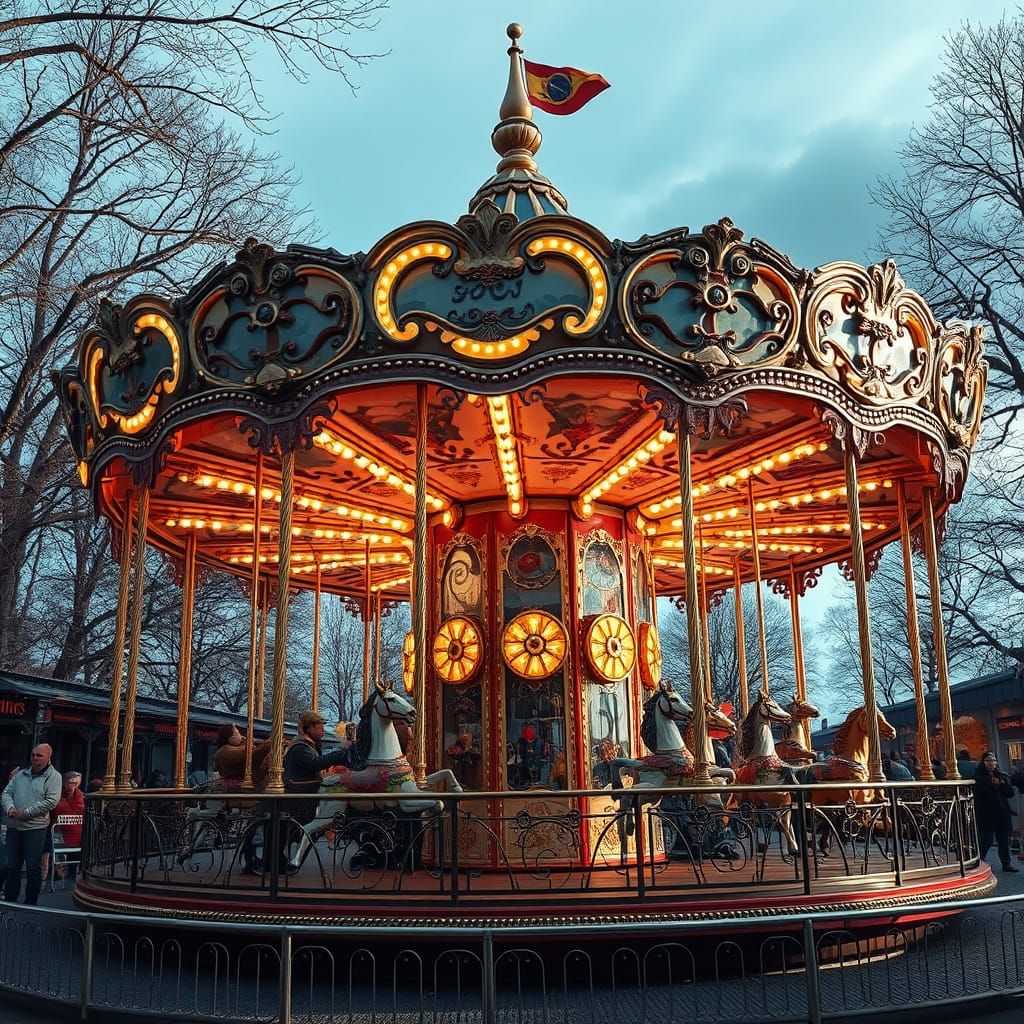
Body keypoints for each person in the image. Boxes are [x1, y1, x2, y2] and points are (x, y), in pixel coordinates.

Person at [280, 710, 348, 871]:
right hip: (301, 793)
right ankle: (289, 859)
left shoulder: (309, 746)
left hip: (308, 791)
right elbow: (315, 764)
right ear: (308, 728)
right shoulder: (300, 748)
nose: (323, 730)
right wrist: (339, 753)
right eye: (319, 727)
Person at [1, 744, 62, 904]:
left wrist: (25, 813)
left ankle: (30, 902)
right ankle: (10, 900)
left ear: (49, 757)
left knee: (33, 866)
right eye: (33, 754)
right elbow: (7, 793)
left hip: (35, 827)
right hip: (14, 825)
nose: (35, 757)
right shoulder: (20, 774)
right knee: (13, 865)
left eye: (39, 755)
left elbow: (51, 801)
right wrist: (10, 809)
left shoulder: (54, 777)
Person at [973, 751, 1019, 873]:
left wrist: (1001, 784)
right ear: (983, 762)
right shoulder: (979, 777)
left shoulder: (1000, 775)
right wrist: (992, 786)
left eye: (993, 760)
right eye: (988, 760)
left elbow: (1010, 793)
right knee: (986, 840)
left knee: (1003, 840)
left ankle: (1006, 863)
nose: (991, 763)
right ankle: (979, 861)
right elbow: (979, 793)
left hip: (1002, 812)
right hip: (987, 812)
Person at [212, 724, 271, 791]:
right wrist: (265, 746)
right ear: (229, 737)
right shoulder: (224, 751)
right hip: (239, 786)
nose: (239, 736)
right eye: (236, 733)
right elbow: (249, 756)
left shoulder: (238, 747)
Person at [50, 772, 85, 880]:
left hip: (76, 836)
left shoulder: (81, 796)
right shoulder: (56, 795)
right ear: (64, 782)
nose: (72, 786)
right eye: (69, 783)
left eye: (75, 783)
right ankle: (58, 871)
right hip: (59, 834)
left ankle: (70, 873)